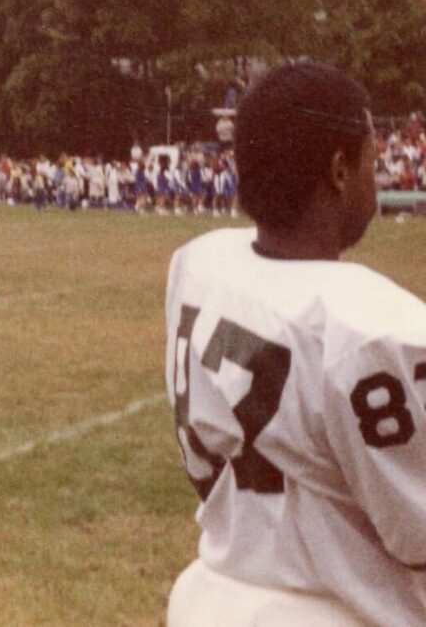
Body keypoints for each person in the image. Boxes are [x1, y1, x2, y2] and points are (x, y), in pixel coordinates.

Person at [165, 62, 426, 626]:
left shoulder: (200, 263)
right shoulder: (373, 327)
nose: (374, 183)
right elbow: (418, 534)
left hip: (213, 590)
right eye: (369, 164)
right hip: (327, 608)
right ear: (338, 170)